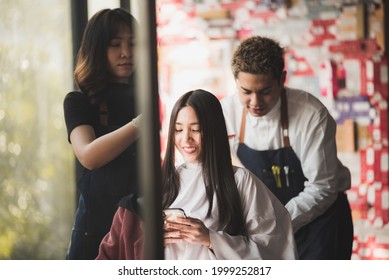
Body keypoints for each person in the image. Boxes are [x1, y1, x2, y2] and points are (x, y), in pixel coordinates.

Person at [96, 89, 298, 260]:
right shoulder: (164, 183)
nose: (186, 139)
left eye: (196, 129)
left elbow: (273, 247)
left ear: (214, 131)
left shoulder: (241, 181)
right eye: (178, 130)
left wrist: (211, 238)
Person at [220, 35, 354, 259]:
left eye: (264, 91)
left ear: (282, 79)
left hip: (322, 223)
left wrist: (276, 225)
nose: (255, 102)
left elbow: (323, 187)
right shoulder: (225, 112)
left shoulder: (311, 114)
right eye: (246, 92)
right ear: (235, 83)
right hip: (272, 224)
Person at [63, 8, 141, 260]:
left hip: (141, 219)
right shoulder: (79, 101)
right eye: (115, 44)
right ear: (97, 49)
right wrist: (140, 124)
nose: (126, 53)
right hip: (96, 224)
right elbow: (88, 156)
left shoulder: (147, 94)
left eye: (133, 44)